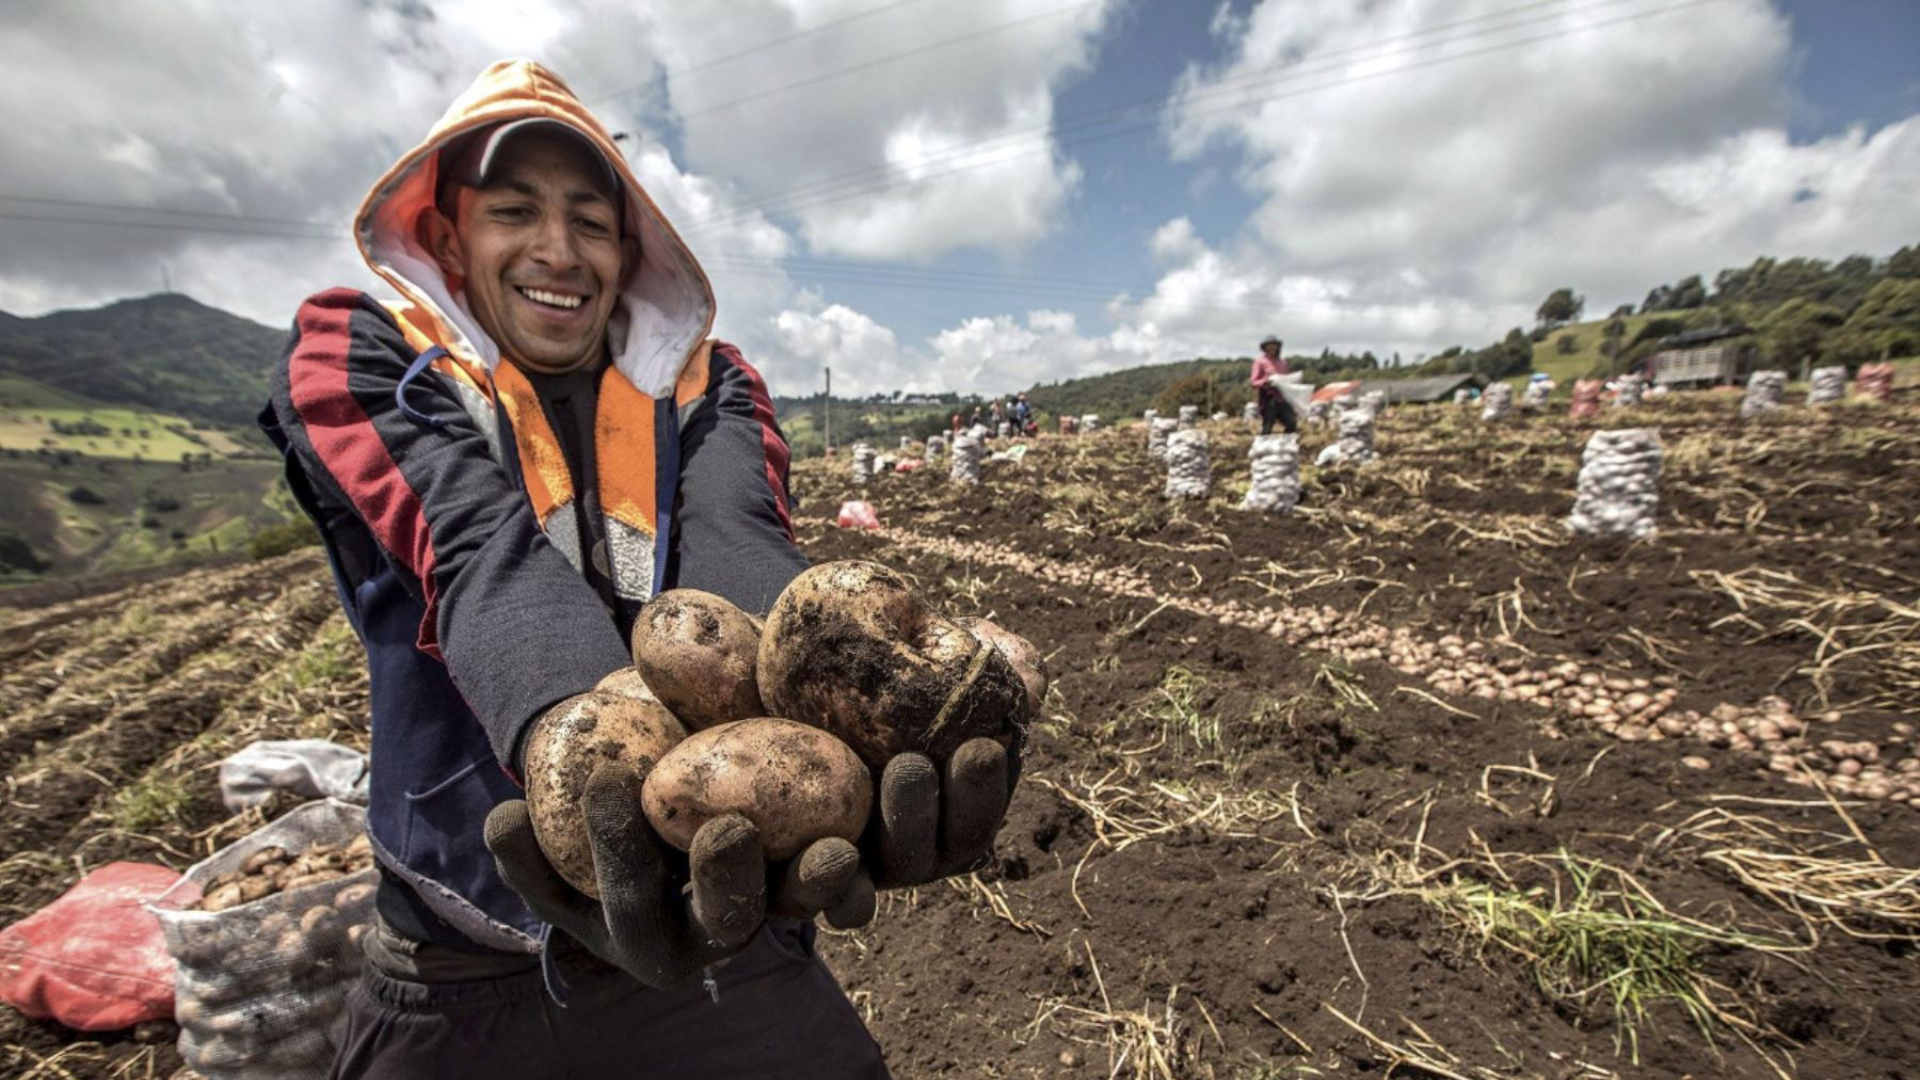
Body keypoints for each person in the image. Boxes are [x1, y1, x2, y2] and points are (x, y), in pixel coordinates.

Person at [259, 60, 1016, 1080]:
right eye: (514, 212)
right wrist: (596, 783)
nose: (558, 252)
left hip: (715, 918)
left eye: (591, 220)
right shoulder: (359, 352)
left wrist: (821, 736)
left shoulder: (707, 384)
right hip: (462, 948)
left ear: (629, 248)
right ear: (447, 238)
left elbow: (738, 541)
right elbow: (477, 547)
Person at [1250, 334, 1297, 435]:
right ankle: (1262, 446)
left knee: (1291, 424)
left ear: (1278, 347)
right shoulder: (1260, 362)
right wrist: (1265, 381)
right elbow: (1253, 382)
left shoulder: (1282, 362)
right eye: (1269, 345)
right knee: (1268, 425)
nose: (1272, 347)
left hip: (1283, 398)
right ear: (1265, 348)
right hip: (1268, 399)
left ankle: (1284, 445)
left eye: (1274, 345)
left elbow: (1286, 379)